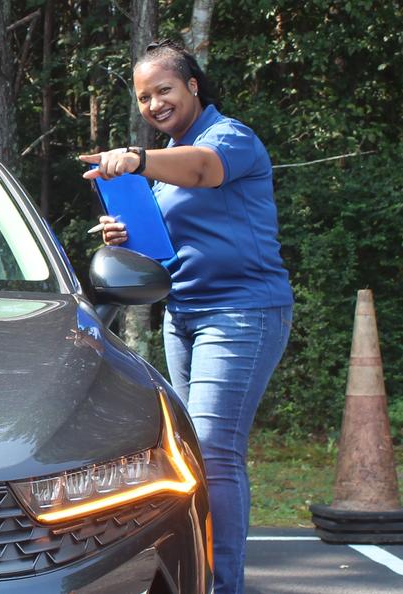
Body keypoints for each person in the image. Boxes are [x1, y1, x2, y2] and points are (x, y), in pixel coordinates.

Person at [79, 39, 294, 594]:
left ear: (193, 87)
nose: (154, 104)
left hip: (242, 312)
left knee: (217, 454)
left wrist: (138, 158)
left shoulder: (229, 139)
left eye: (164, 90)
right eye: (144, 97)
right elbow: (163, 254)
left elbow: (203, 171)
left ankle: (221, 585)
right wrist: (126, 236)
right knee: (193, 453)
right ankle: (197, 578)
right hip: (185, 316)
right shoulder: (160, 172)